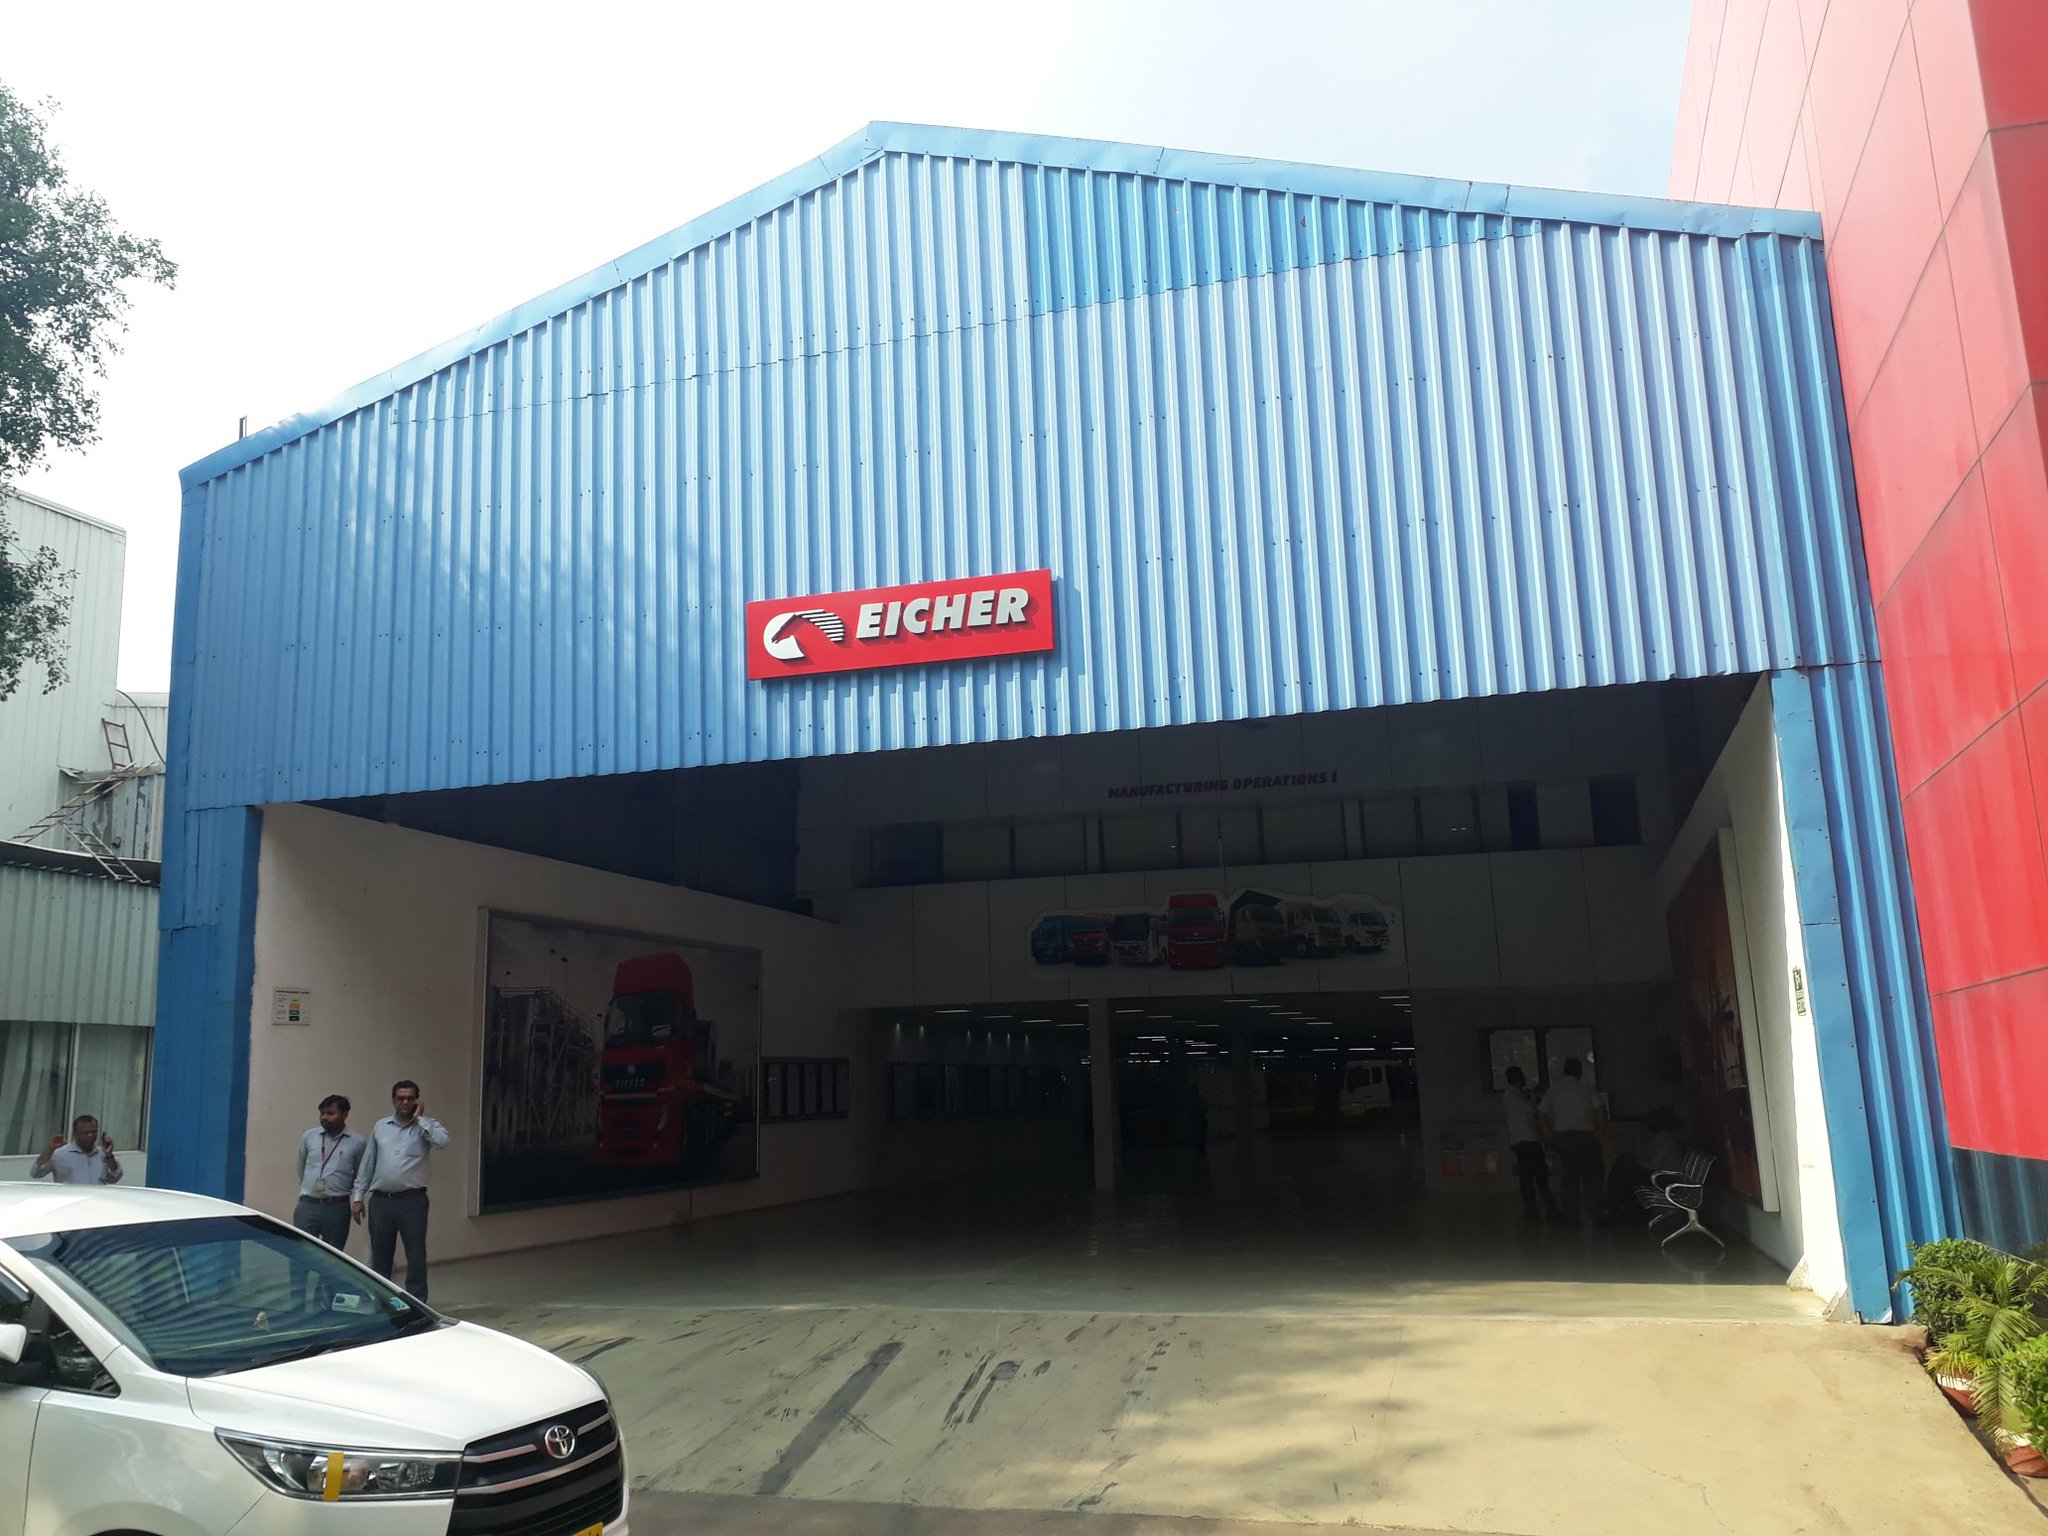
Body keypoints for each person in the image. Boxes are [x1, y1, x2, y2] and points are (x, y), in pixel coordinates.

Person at [352, 1080, 449, 1300]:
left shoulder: (428, 1126)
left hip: (412, 1202)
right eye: (400, 1098)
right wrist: (358, 1197)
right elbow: (368, 1163)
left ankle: (417, 1300)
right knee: (380, 1255)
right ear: (393, 1100)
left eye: (410, 1098)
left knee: (415, 1254)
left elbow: (442, 1142)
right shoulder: (381, 1126)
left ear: (417, 1100)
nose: (405, 1102)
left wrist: (420, 1120)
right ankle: (382, 1300)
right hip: (381, 1202)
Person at [293, 1095, 367, 1250]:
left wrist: (358, 1200)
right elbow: (301, 1166)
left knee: (333, 1254)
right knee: (300, 1252)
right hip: (308, 1204)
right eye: (322, 1113)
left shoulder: (358, 1142)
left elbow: (360, 1175)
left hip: (337, 1207)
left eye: (330, 1113)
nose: (325, 1117)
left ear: (345, 1114)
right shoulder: (309, 1136)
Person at [1540, 1058, 1605, 1227]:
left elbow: (1542, 1113)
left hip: (1564, 1139)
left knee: (1569, 1178)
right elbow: (1600, 1112)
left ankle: (1571, 1216)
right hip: (1586, 1137)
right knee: (1592, 1178)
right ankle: (1595, 1215)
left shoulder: (1554, 1090)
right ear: (1580, 1071)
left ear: (1564, 1071)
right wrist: (1598, 1133)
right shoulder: (1587, 1088)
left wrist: (1549, 1136)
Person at [1502, 1067, 1557, 1221]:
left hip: (1522, 1140)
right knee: (1537, 1176)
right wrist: (1543, 1136)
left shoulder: (1516, 1095)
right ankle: (1545, 1208)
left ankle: (1534, 1209)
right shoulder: (1512, 1096)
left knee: (1529, 1176)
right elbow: (1531, 1114)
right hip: (1528, 1140)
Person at [29, 1116, 122, 1185]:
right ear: (75, 1133)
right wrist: (49, 1150)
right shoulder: (59, 1154)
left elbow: (114, 1179)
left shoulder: (102, 1154)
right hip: (71, 1201)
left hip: (96, 1201)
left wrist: (109, 1156)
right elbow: (36, 1173)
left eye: (93, 1132)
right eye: (85, 1133)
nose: (90, 1135)